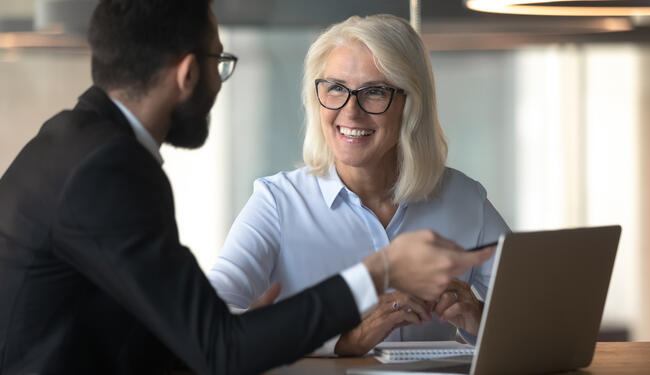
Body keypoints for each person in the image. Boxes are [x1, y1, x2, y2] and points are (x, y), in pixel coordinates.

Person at [0, 2, 496, 374]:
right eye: (219, 65)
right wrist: (382, 269)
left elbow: (193, 337)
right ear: (188, 72)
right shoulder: (108, 168)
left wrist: (252, 332)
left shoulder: (71, 143)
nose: (350, 109)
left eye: (374, 92)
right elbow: (215, 345)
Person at [209, 14, 510, 357]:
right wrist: (340, 341)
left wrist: (480, 319)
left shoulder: (465, 200)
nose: (350, 111)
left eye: (375, 91)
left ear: (410, 104)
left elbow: (537, 314)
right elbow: (212, 325)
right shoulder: (278, 203)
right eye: (336, 87)